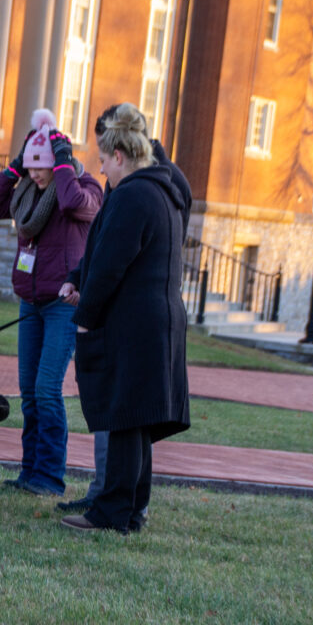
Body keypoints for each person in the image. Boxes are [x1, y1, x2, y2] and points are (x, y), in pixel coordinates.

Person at [60, 102, 191, 534]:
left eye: (103, 160)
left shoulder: (134, 194)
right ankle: (132, 509)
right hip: (159, 321)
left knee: (123, 416)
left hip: (133, 324)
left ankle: (110, 512)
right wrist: (79, 279)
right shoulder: (165, 190)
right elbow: (105, 253)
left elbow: (111, 263)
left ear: (119, 156)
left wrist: (86, 315)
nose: (101, 171)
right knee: (138, 419)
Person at [0, 108, 102, 497]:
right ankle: (29, 471)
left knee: (48, 390)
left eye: (40, 167)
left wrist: (63, 163)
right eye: (30, 167)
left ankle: (50, 476)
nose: (35, 174)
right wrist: (15, 166)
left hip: (63, 304)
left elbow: (71, 204)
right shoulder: (27, 191)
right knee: (29, 391)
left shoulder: (85, 187)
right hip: (29, 304)